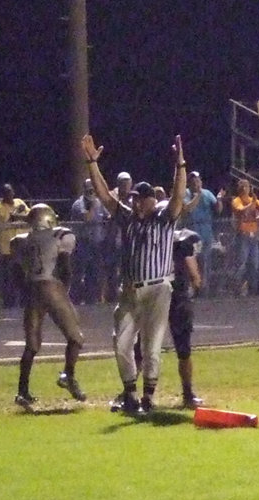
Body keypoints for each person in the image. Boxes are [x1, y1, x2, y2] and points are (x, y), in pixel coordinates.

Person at [83, 133, 187, 414]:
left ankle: (148, 397)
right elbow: (105, 196)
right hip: (129, 289)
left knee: (152, 347)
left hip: (158, 289)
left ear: (152, 200)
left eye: (140, 199)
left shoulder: (164, 219)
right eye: (134, 200)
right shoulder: (128, 218)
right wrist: (93, 163)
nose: (136, 203)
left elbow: (178, 197)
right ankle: (129, 392)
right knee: (121, 344)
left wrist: (180, 165)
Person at [10, 204, 88, 407]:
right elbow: (65, 265)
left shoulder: (19, 241)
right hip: (51, 285)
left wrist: (25, 291)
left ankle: (22, 391)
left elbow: (16, 274)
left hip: (32, 288)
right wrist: (65, 290)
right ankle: (68, 376)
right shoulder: (60, 236)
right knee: (76, 338)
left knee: (32, 345)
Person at [169, 229, 206, 408]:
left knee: (143, 347)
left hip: (155, 293)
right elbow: (194, 274)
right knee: (184, 350)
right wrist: (197, 281)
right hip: (178, 297)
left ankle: (135, 393)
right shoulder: (186, 242)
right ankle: (188, 393)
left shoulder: (157, 237)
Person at [70, 178, 111, 304]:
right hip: (83, 242)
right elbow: (87, 218)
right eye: (89, 190)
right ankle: (75, 299)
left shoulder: (99, 202)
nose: (92, 193)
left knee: (94, 272)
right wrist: (93, 205)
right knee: (80, 272)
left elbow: (107, 216)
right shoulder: (78, 204)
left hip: (97, 243)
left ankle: (91, 299)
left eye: (93, 190)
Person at [0, 183, 30, 309]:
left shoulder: (19, 202)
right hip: (6, 248)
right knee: (8, 278)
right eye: (7, 193)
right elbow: (6, 221)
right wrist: (16, 214)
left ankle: (25, 302)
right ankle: (9, 304)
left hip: (21, 245)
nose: (10, 195)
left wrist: (18, 215)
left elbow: (29, 217)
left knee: (23, 276)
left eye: (11, 192)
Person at [183, 171, 220, 285]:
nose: (197, 184)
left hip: (206, 231)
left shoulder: (207, 193)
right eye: (194, 182)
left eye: (198, 181)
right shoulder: (185, 193)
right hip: (192, 231)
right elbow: (187, 209)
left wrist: (219, 200)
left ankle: (204, 287)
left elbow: (218, 210)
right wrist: (197, 195)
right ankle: (192, 286)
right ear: (189, 183)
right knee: (192, 260)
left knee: (205, 260)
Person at [231, 180, 259, 296]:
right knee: (241, 264)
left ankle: (252, 290)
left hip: (253, 235)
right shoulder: (236, 200)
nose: (244, 188)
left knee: (254, 263)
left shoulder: (253, 200)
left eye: (246, 186)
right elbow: (241, 210)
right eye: (242, 186)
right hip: (243, 235)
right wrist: (252, 203)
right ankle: (237, 290)